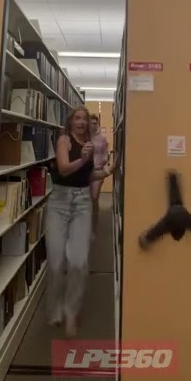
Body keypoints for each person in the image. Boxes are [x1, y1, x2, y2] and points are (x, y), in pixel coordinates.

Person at [47, 106, 114, 338]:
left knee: (78, 262)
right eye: (77, 118)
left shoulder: (91, 144)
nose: (82, 122)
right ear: (70, 121)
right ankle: (56, 304)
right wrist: (84, 158)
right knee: (56, 263)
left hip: (82, 203)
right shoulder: (64, 141)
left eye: (85, 119)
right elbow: (65, 170)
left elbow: (87, 175)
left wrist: (106, 171)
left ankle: (71, 311)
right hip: (59, 203)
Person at [88, 113, 109, 243]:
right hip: (86, 172)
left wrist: (105, 162)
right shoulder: (84, 137)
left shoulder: (102, 138)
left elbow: (106, 153)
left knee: (94, 197)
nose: (94, 125)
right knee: (87, 200)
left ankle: (93, 229)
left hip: (98, 171)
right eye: (92, 123)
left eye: (96, 123)